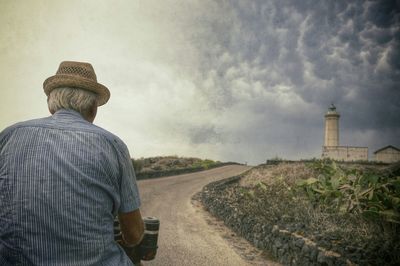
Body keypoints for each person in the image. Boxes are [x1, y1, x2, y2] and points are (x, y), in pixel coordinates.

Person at [0, 61, 145, 265]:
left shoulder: (8, 136)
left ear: (51, 103)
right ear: (93, 107)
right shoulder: (113, 145)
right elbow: (134, 234)